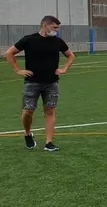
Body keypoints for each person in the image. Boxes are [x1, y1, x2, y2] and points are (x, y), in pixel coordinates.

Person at [4, 15, 75, 151]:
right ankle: (27, 133)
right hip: (32, 83)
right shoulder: (29, 39)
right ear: (45, 25)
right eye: (54, 27)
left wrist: (64, 68)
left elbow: (70, 55)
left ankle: (49, 142)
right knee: (28, 112)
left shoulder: (58, 41)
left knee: (50, 111)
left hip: (52, 83)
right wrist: (17, 70)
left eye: (58, 28)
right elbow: (9, 53)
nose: (56, 30)